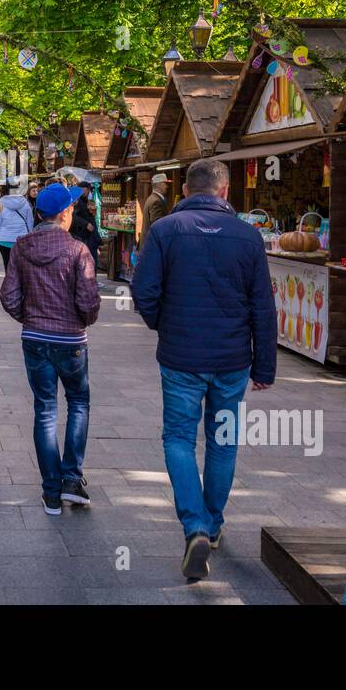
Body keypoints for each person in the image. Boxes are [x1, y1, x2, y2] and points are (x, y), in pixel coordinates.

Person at [131, 158, 276, 583]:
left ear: (185, 190)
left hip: (180, 356)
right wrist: (264, 365)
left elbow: (144, 290)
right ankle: (211, 525)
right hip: (232, 359)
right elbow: (263, 308)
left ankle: (194, 524)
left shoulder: (164, 231)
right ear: (226, 191)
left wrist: (164, 322)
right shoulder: (249, 237)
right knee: (223, 440)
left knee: (178, 437)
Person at [0, 181, 100, 515]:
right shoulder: (78, 250)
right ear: (66, 214)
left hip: (35, 339)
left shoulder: (22, 247)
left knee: (44, 410)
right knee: (78, 403)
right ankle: (72, 479)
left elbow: (8, 296)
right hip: (71, 340)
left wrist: (29, 318)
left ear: (39, 214)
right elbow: (87, 300)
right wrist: (84, 319)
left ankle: (51, 492)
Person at [0, 186, 34, 270]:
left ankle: (9, 282)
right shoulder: (25, 202)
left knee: (8, 267)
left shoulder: (0, 203)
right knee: (21, 268)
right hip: (22, 239)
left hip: (4, 239)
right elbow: (30, 222)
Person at [69, 182, 101, 265]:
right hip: (82, 236)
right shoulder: (77, 201)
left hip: (89, 236)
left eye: (89, 189)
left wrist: (91, 212)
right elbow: (73, 217)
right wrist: (86, 224)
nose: (89, 191)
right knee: (87, 262)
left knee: (92, 260)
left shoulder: (86, 200)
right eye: (87, 189)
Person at [142, 173, 170, 239]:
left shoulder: (152, 198)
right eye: (165, 183)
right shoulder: (156, 201)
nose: (167, 186)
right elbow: (157, 225)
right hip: (152, 243)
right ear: (159, 185)